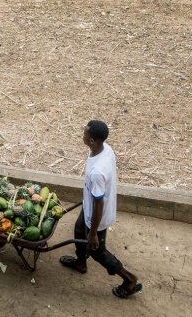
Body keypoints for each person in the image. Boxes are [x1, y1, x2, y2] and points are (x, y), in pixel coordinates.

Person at [60, 119, 142, 299]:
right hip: (88, 208)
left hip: (97, 217)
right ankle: (81, 263)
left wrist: (94, 233)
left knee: (97, 250)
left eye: (84, 134)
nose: (82, 135)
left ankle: (129, 279)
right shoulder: (106, 149)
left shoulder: (97, 171)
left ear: (91, 141)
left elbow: (99, 203)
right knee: (79, 230)